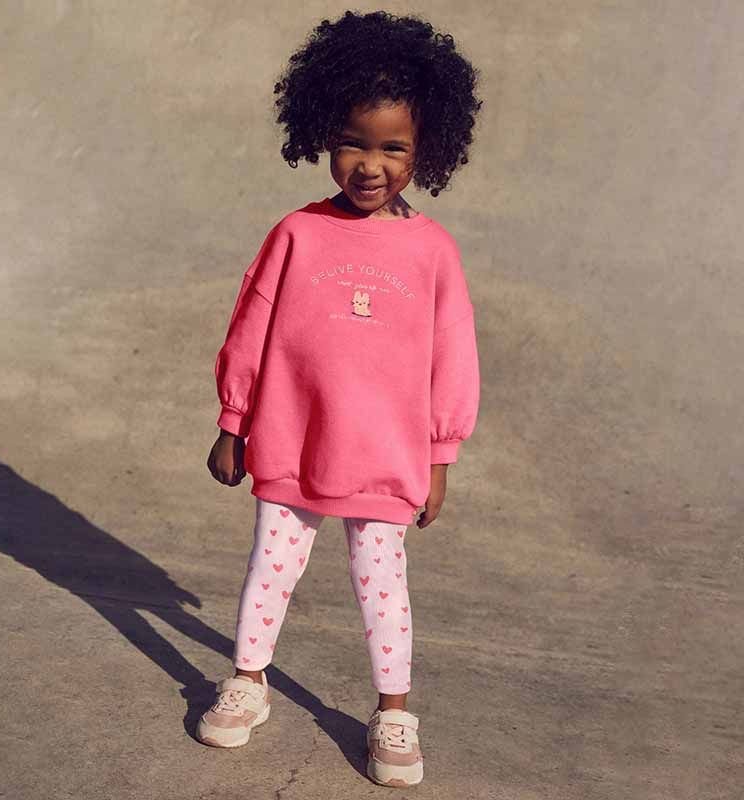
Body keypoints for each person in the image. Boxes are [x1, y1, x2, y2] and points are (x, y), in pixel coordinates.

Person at [196, 9, 483, 789]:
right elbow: (251, 328)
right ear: (323, 133)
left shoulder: (432, 251)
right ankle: (248, 681)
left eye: (393, 148)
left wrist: (440, 456)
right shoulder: (296, 234)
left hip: (385, 455)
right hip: (292, 440)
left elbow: (453, 358)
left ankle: (393, 711)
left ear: (427, 149)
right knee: (270, 570)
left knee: (382, 585)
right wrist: (234, 421)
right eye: (354, 142)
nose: (369, 165)